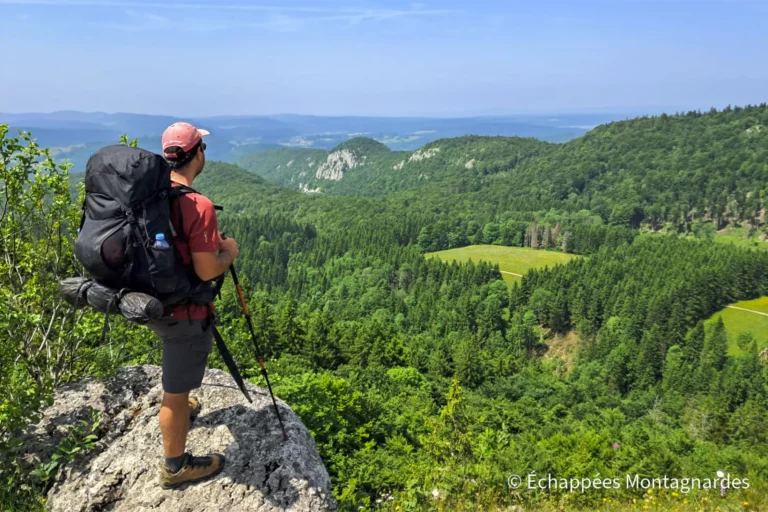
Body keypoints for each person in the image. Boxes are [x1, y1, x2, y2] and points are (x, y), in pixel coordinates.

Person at [150, 122, 240, 489]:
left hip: (154, 299)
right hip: (183, 309)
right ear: (197, 154)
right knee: (175, 387)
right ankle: (175, 467)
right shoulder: (196, 204)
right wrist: (228, 253)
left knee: (176, 369)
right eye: (202, 146)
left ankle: (183, 405)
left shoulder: (153, 195)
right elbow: (206, 271)